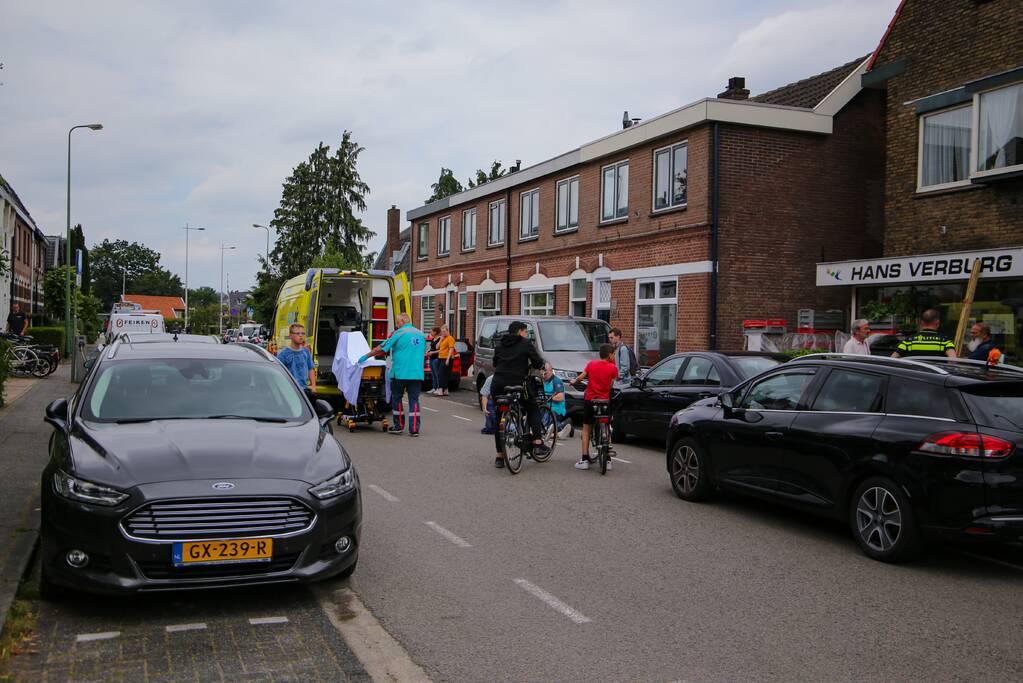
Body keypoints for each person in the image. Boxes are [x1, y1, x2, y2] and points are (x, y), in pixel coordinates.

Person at [491, 320, 548, 468]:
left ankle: (499, 456)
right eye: (525, 331)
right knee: (533, 407)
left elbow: (495, 363)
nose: (525, 334)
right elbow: (536, 362)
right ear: (519, 331)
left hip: (498, 384)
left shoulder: (500, 344)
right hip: (517, 383)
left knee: (499, 418)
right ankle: (537, 441)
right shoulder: (525, 343)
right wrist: (542, 366)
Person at [361, 313, 427, 437]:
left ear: (402, 321)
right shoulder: (421, 334)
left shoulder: (399, 333)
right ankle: (414, 429)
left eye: (397, 322)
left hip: (400, 373)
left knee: (397, 398)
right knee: (414, 400)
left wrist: (366, 356)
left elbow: (381, 348)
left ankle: (398, 426)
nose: (396, 325)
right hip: (417, 373)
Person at [573, 343, 619, 471]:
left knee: (586, 428)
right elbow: (611, 384)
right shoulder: (613, 368)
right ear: (610, 355)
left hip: (590, 400)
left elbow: (581, 376)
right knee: (607, 427)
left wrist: (574, 381)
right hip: (604, 401)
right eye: (613, 354)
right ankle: (608, 460)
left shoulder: (591, 364)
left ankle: (584, 459)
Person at [892, 309, 956, 358]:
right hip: (935, 375)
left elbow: (893, 358)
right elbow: (953, 360)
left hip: (914, 374)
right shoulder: (944, 341)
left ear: (922, 323)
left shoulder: (909, 340)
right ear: (937, 323)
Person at [277, 323, 317, 390]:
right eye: (298, 333)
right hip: (290, 390)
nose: (301, 336)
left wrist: (313, 385)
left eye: (302, 333)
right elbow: (279, 373)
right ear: (290, 335)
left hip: (305, 390)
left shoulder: (306, 351)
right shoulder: (283, 354)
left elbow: (311, 368)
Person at [541, 362, 572, 439]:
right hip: (544, 407)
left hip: (556, 409)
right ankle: (558, 432)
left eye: (546, 373)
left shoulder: (556, 381)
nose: (544, 375)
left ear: (551, 371)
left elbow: (560, 397)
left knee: (546, 419)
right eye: (543, 372)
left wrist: (548, 398)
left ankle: (560, 427)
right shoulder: (541, 381)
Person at [435, 326, 456, 396]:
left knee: (442, 374)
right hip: (440, 357)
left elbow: (451, 349)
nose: (443, 333)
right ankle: (445, 389)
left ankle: (441, 389)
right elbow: (437, 347)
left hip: (447, 358)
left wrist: (448, 359)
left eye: (444, 331)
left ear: (447, 331)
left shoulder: (450, 338)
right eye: (442, 332)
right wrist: (440, 340)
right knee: (441, 373)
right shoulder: (442, 339)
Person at [426, 326, 442, 395]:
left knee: (436, 374)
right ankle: (434, 387)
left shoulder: (440, 339)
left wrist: (432, 352)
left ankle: (438, 388)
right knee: (433, 374)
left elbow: (440, 350)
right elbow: (431, 347)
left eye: (431, 331)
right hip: (431, 358)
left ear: (435, 332)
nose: (430, 332)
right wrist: (428, 351)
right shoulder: (433, 339)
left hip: (436, 358)